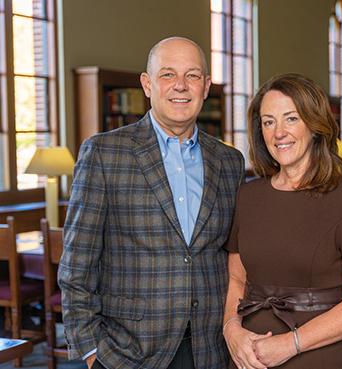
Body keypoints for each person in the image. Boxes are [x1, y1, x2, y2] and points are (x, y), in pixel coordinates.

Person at [58, 37, 244, 369]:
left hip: (208, 349)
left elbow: (233, 257)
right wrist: (90, 351)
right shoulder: (104, 153)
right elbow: (76, 265)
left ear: (205, 87)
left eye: (192, 75)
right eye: (167, 75)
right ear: (147, 84)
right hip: (126, 353)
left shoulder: (229, 162)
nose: (181, 86)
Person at [222, 73, 342, 369]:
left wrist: (290, 344)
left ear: (315, 125)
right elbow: (236, 279)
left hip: (316, 353)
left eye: (291, 119)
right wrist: (232, 330)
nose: (278, 132)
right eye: (268, 122)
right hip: (248, 354)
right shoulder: (248, 195)